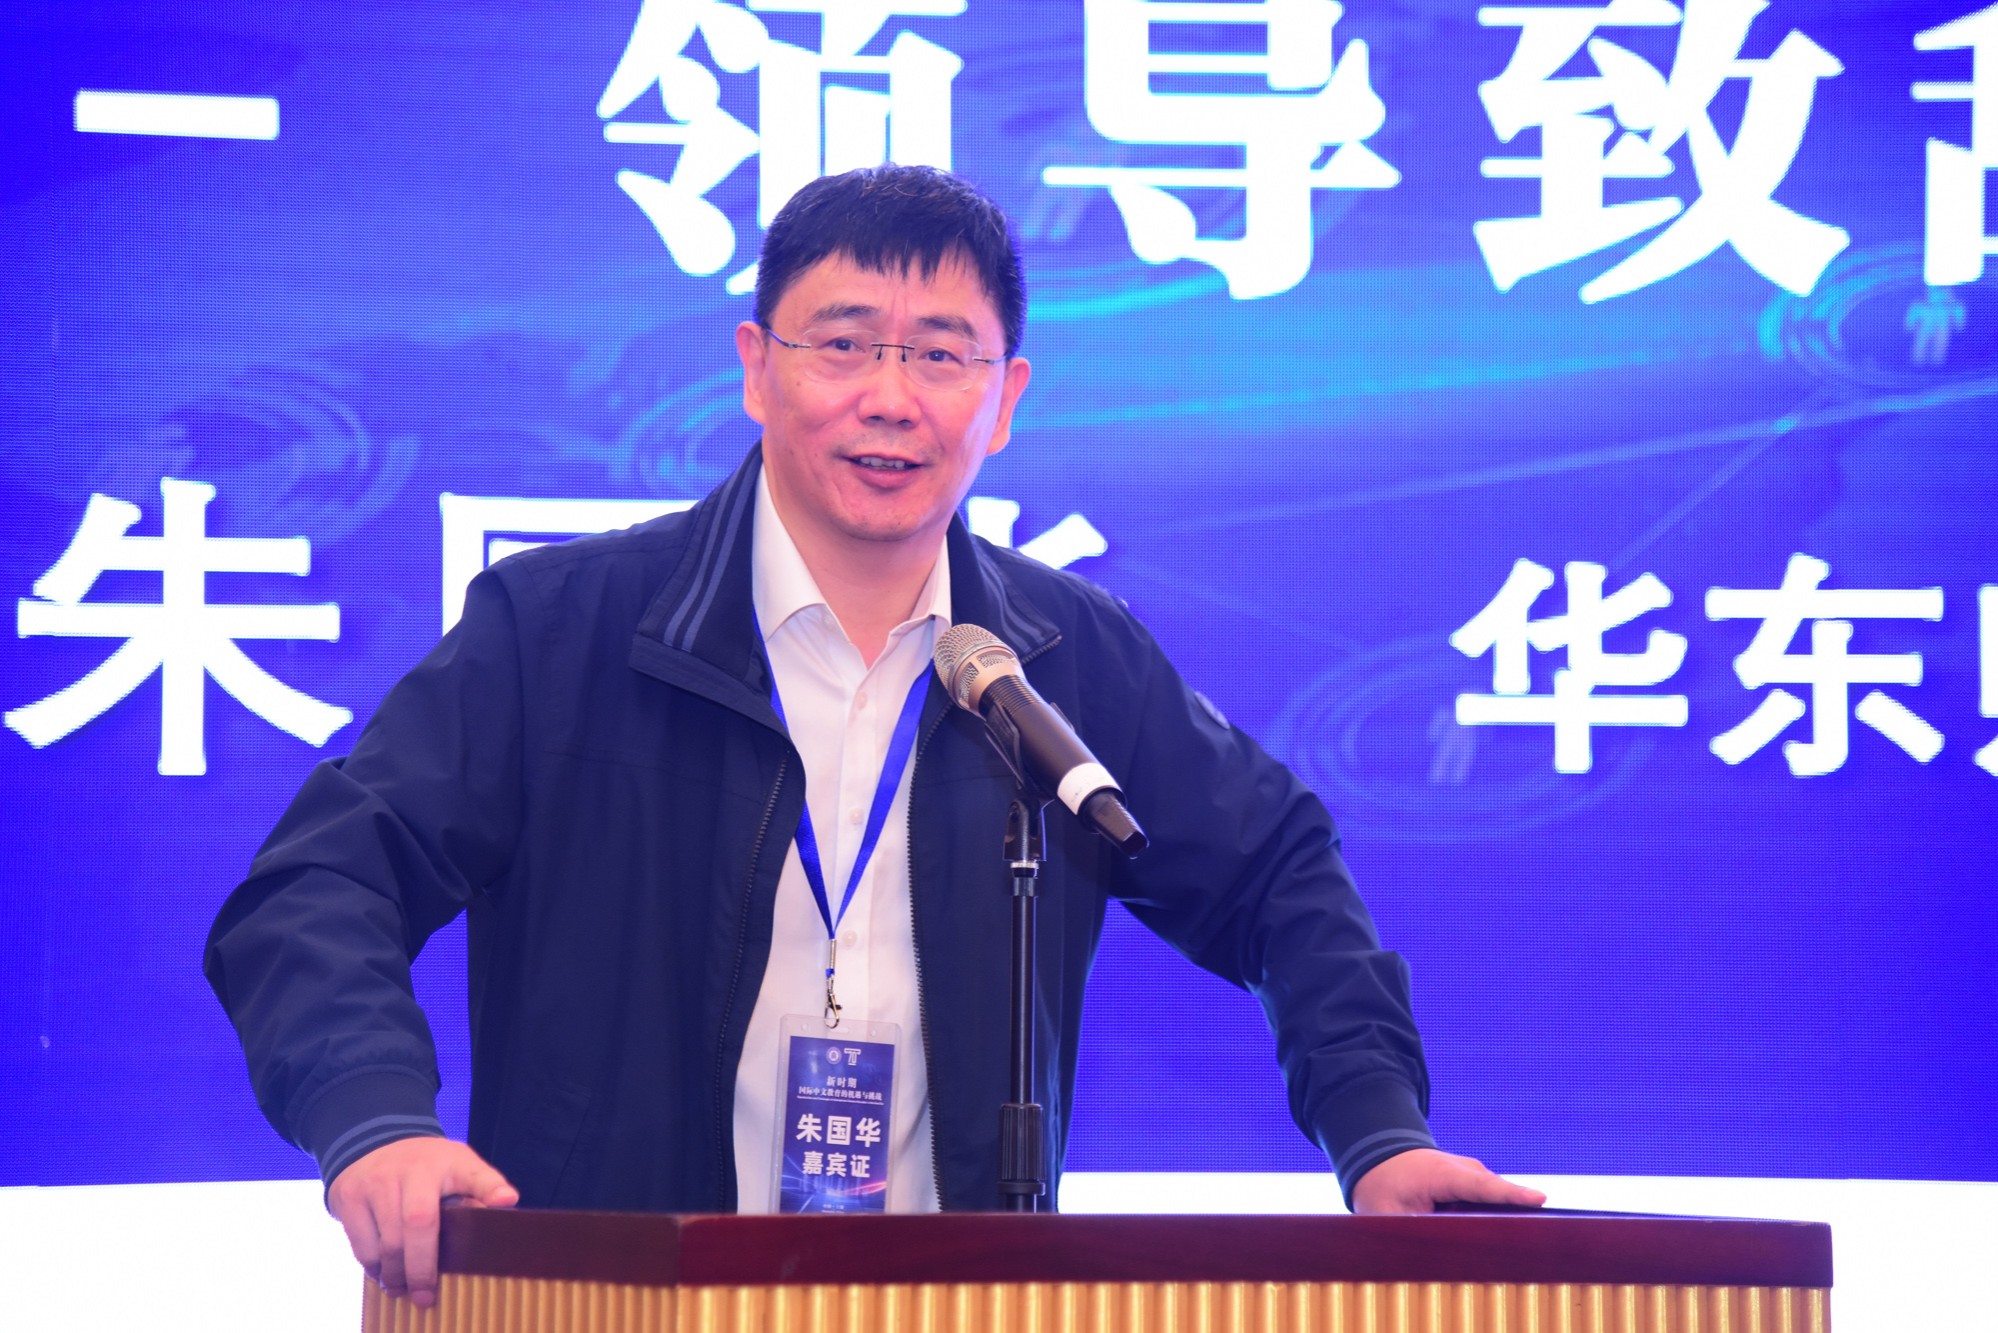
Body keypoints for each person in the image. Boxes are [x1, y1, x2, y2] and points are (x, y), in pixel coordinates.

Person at [204, 164, 1543, 1311]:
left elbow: (1278, 873)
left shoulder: (1058, 662)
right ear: (754, 367)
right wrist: (374, 1120)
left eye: (941, 354)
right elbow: (320, 883)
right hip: (608, 1301)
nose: (890, 397)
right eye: (842, 344)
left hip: (953, 1304)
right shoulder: (562, 629)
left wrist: (1379, 1133)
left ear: (1004, 399)